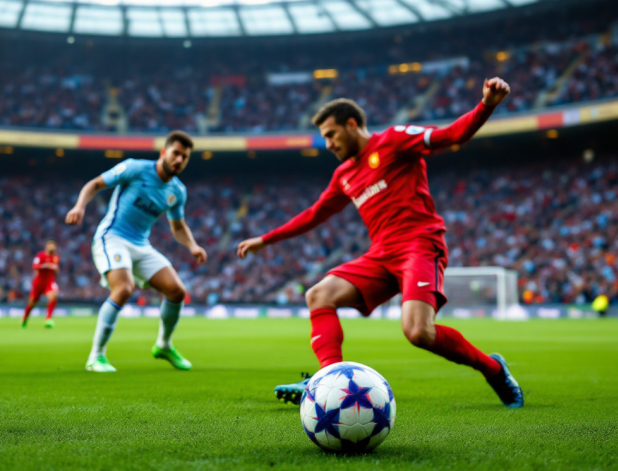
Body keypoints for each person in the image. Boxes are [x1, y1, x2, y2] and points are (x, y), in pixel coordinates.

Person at [237, 78, 524, 408]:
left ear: (351, 124)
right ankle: (328, 380)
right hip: (381, 256)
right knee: (318, 294)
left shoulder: (394, 140)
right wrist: (265, 239)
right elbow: (315, 214)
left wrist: (486, 105)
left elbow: (451, 135)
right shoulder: (344, 175)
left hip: (419, 245)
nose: (327, 144)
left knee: (418, 332)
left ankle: (493, 369)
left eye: (331, 134)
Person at [65, 130, 207, 372]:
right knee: (124, 288)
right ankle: (96, 357)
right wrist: (79, 206)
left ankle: (163, 345)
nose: (179, 160)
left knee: (177, 291)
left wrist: (193, 246)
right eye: (176, 153)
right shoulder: (135, 168)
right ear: (163, 152)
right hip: (112, 237)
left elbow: (178, 226)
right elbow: (95, 184)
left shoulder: (177, 191)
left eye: (184, 157)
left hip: (141, 245)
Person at [21, 240, 60, 329]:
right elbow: (35, 266)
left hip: (49, 282)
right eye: (51, 246)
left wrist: (56, 269)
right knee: (32, 303)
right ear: (47, 247)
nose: (53, 248)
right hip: (39, 283)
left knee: (53, 296)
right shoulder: (40, 255)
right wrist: (46, 265)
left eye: (54, 246)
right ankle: (24, 318)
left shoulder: (56, 257)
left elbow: (57, 270)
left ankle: (48, 318)